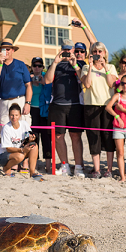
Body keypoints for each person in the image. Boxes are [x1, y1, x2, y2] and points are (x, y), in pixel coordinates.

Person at [43, 39, 85, 178]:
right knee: (59, 136)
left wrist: (75, 66)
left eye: (69, 49)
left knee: (75, 136)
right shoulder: (55, 64)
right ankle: (64, 165)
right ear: (61, 49)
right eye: (65, 50)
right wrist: (55, 63)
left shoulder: (80, 64)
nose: (67, 52)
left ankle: (78, 167)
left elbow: (84, 81)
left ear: (73, 50)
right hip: (57, 106)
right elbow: (47, 81)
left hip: (75, 105)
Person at [80, 42, 117, 178]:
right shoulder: (85, 67)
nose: (97, 54)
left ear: (105, 53)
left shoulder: (111, 67)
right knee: (93, 136)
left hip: (107, 105)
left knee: (108, 137)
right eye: (95, 51)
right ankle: (97, 169)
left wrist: (105, 67)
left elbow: (111, 84)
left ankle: (109, 169)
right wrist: (90, 67)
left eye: (100, 51)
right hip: (91, 105)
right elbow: (87, 84)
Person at [0, 38, 32, 131]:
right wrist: (0, 63)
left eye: (8, 49)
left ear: (13, 50)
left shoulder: (20, 64)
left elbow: (28, 85)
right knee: (5, 131)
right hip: (4, 102)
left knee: (24, 130)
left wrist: (28, 103)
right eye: (3, 49)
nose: (6, 52)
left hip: (20, 100)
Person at [106, 74, 126, 183]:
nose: (125, 85)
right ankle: (122, 176)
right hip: (118, 127)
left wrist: (122, 109)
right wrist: (117, 116)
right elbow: (108, 107)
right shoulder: (117, 96)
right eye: (123, 83)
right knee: (120, 152)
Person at [0, 103, 41, 179]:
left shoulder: (24, 124)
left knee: (34, 146)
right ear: (9, 116)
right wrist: (22, 150)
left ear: (20, 115)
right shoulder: (6, 128)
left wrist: (31, 139)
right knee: (20, 156)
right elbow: (8, 149)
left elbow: (28, 138)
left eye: (16, 115)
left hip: (19, 151)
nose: (14, 117)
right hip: (3, 155)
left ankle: (32, 172)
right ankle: (6, 168)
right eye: (12, 115)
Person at [29, 57, 52, 173]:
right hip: (32, 109)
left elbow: (50, 89)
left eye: (39, 66)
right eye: (35, 66)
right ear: (32, 67)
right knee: (34, 137)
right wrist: (30, 82)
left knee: (46, 138)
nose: (37, 68)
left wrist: (44, 82)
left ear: (43, 67)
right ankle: (35, 164)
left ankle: (48, 165)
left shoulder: (46, 76)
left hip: (44, 110)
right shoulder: (28, 77)